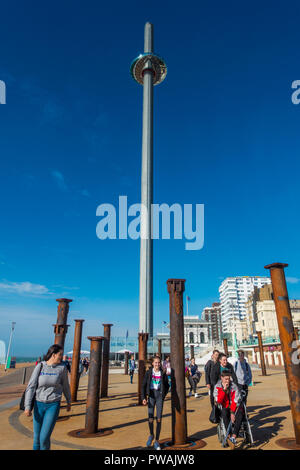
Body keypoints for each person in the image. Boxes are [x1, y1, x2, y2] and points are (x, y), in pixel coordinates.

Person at [24, 344, 71, 450]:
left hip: (53, 405)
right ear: (53, 355)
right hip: (38, 404)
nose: (62, 357)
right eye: (60, 354)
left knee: (44, 438)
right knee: (36, 439)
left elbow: (65, 386)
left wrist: (69, 401)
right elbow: (31, 386)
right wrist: (27, 406)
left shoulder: (62, 368)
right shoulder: (40, 366)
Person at [142, 355, 169, 450]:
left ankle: (157, 441)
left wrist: (163, 395)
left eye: (158, 362)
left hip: (159, 397)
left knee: (159, 419)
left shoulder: (163, 373)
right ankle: (151, 435)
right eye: (155, 362)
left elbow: (167, 385)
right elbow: (143, 385)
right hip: (151, 396)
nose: (157, 364)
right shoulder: (148, 373)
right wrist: (144, 397)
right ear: (152, 363)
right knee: (150, 418)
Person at [214, 371, 244, 449]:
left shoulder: (234, 386)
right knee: (224, 413)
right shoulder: (217, 386)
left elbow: (236, 400)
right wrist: (224, 389)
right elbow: (218, 401)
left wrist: (232, 412)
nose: (228, 381)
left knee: (240, 413)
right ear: (221, 378)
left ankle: (233, 437)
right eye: (226, 379)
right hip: (224, 406)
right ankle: (229, 435)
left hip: (234, 407)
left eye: (229, 379)